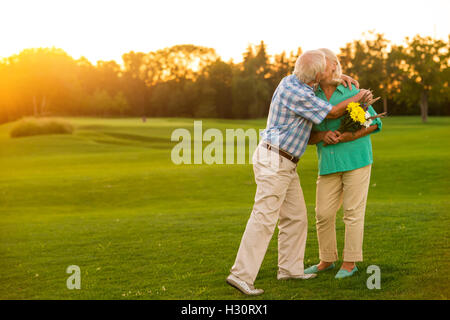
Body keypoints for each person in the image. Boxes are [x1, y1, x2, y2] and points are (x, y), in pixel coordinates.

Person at [226, 49, 373, 295]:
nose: (332, 69)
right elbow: (334, 112)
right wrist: (360, 95)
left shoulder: (296, 82)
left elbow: (324, 83)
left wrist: (339, 76)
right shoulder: (298, 93)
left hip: (286, 161)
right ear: (316, 75)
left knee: (295, 218)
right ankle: (241, 275)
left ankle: (290, 269)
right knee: (264, 217)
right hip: (275, 160)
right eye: (328, 67)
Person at [305, 48, 382, 279]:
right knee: (323, 213)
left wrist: (351, 136)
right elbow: (307, 136)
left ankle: (350, 263)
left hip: (356, 159)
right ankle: (326, 259)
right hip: (328, 163)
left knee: (352, 212)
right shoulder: (311, 95)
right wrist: (321, 136)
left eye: (336, 64)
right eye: (331, 65)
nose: (335, 68)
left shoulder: (351, 90)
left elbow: (374, 123)